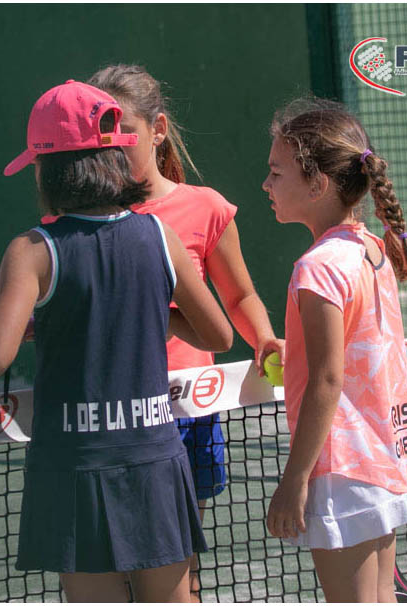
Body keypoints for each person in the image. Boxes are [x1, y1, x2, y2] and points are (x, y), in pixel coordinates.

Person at [0, 80, 234, 602]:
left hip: (74, 466)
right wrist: (149, 310)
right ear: (115, 158)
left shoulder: (31, 251)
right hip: (154, 460)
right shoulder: (161, 237)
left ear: (47, 170)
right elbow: (218, 335)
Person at [88, 64, 284, 601]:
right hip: (110, 415)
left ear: (158, 129)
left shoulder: (205, 207)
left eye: (125, 129)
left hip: (188, 412)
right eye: (101, 132)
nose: (113, 144)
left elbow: (239, 297)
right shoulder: (84, 218)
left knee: (177, 568)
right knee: (115, 572)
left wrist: (264, 338)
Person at [261, 98, 407, 602]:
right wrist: (294, 347)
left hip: (343, 471)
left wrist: (295, 480)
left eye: (277, 172)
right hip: (382, 460)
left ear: (317, 185)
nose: (266, 184)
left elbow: (328, 379)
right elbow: (356, 347)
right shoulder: (372, 250)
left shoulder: (317, 268)